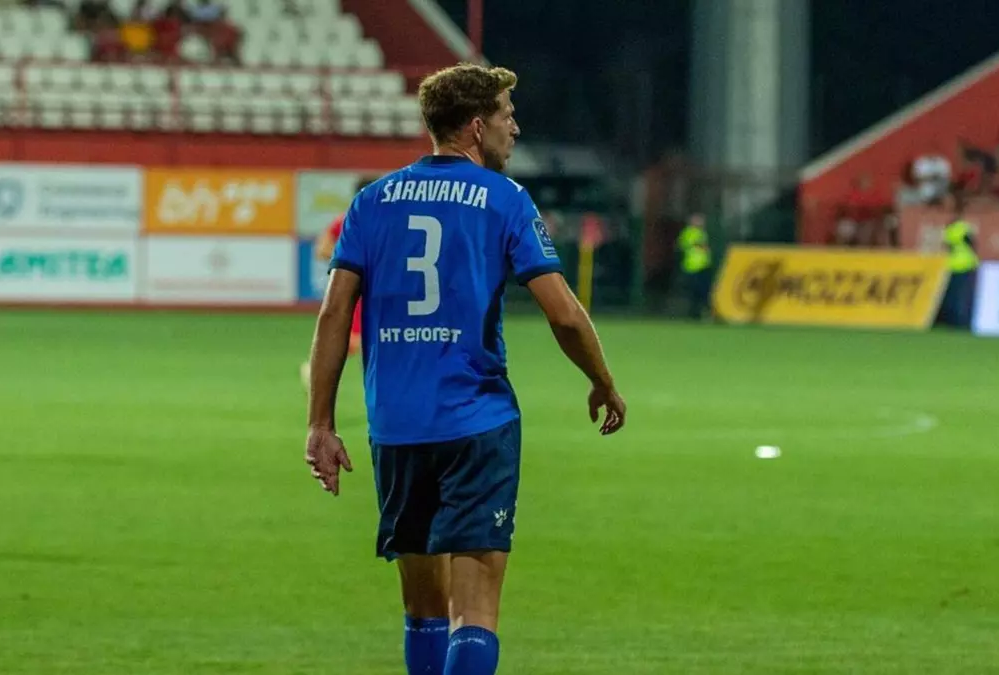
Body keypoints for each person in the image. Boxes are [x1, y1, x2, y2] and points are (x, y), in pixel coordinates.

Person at [303, 63, 626, 675]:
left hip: (397, 425)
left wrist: (320, 423)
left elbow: (333, 314)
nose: (515, 128)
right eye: (508, 115)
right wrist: (602, 381)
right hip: (476, 421)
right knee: (474, 611)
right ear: (477, 127)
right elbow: (563, 314)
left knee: (422, 609)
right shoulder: (505, 198)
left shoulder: (371, 202)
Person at [299, 178, 377, 389]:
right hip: (357, 290)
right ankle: (314, 371)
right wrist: (351, 263)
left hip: (377, 290)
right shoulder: (348, 220)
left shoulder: (382, 219)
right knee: (357, 340)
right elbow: (322, 249)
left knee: (369, 339)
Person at [937, 198, 979, 329]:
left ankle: (951, 320)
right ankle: (963, 321)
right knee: (964, 296)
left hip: (953, 265)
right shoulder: (964, 227)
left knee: (952, 295)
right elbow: (972, 243)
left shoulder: (949, 229)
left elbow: (946, 246)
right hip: (967, 264)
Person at [676, 212, 713, 320]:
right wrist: (703, 246)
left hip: (703, 266)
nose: (701, 222)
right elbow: (692, 244)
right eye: (698, 220)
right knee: (695, 292)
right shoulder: (689, 232)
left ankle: (701, 313)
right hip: (693, 267)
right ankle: (694, 314)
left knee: (704, 291)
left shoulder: (701, 233)